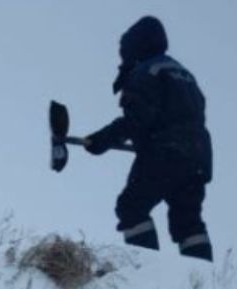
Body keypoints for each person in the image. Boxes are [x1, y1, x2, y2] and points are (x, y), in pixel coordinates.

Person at [83, 16, 213, 262]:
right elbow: (184, 116)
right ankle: (203, 280)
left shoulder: (145, 71)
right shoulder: (183, 74)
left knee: (131, 207)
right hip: (199, 156)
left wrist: (102, 139)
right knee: (188, 220)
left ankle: (145, 269)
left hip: (166, 151)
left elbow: (137, 119)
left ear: (136, 47)